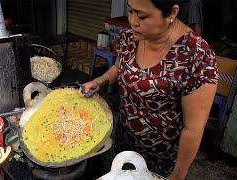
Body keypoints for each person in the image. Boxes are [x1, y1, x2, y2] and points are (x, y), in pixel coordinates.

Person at [82, 0, 218, 179]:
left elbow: (192, 129)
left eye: (141, 15)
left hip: (161, 162)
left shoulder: (196, 57)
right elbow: (119, 65)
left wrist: (177, 175)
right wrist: (100, 81)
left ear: (172, 13)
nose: (132, 21)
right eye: (130, 11)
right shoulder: (130, 36)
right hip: (125, 145)